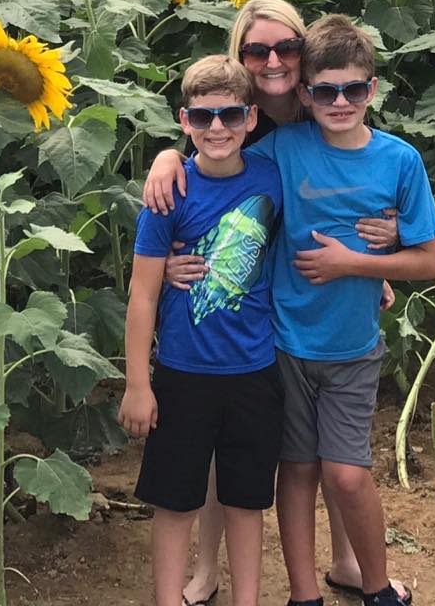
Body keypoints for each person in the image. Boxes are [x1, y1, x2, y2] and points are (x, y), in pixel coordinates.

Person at [143, 0, 402, 606]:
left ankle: (341, 560)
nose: (273, 60)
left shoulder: (326, 106)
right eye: (257, 50)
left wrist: (375, 259)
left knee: (319, 444)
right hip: (254, 313)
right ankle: (207, 570)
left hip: (317, 299)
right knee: (240, 443)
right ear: (240, 58)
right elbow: (206, 170)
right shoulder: (234, 118)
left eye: (286, 47)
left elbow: (348, 189)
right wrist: (164, 158)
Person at [249, 14, 435, 606]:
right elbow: (218, 171)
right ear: (306, 94)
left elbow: (430, 260)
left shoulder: (399, 160)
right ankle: (305, 593)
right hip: (287, 342)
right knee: (298, 472)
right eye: (326, 90)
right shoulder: (283, 147)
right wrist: (164, 169)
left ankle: (376, 584)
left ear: (372, 91)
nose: (340, 101)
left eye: (353, 89)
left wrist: (355, 265)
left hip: (353, 346)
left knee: (347, 474)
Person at [119, 55, 284, 606]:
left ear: (252, 118)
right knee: (176, 501)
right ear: (184, 120)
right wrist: (137, 383)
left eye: (231, 115)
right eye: (204, 117)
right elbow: (142, 294)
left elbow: (306, 235)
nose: (218, 128)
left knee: (246, 501)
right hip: (184, 373)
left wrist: (372, 276)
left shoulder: (272, 179)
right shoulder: (169, 194)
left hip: (255, 370)